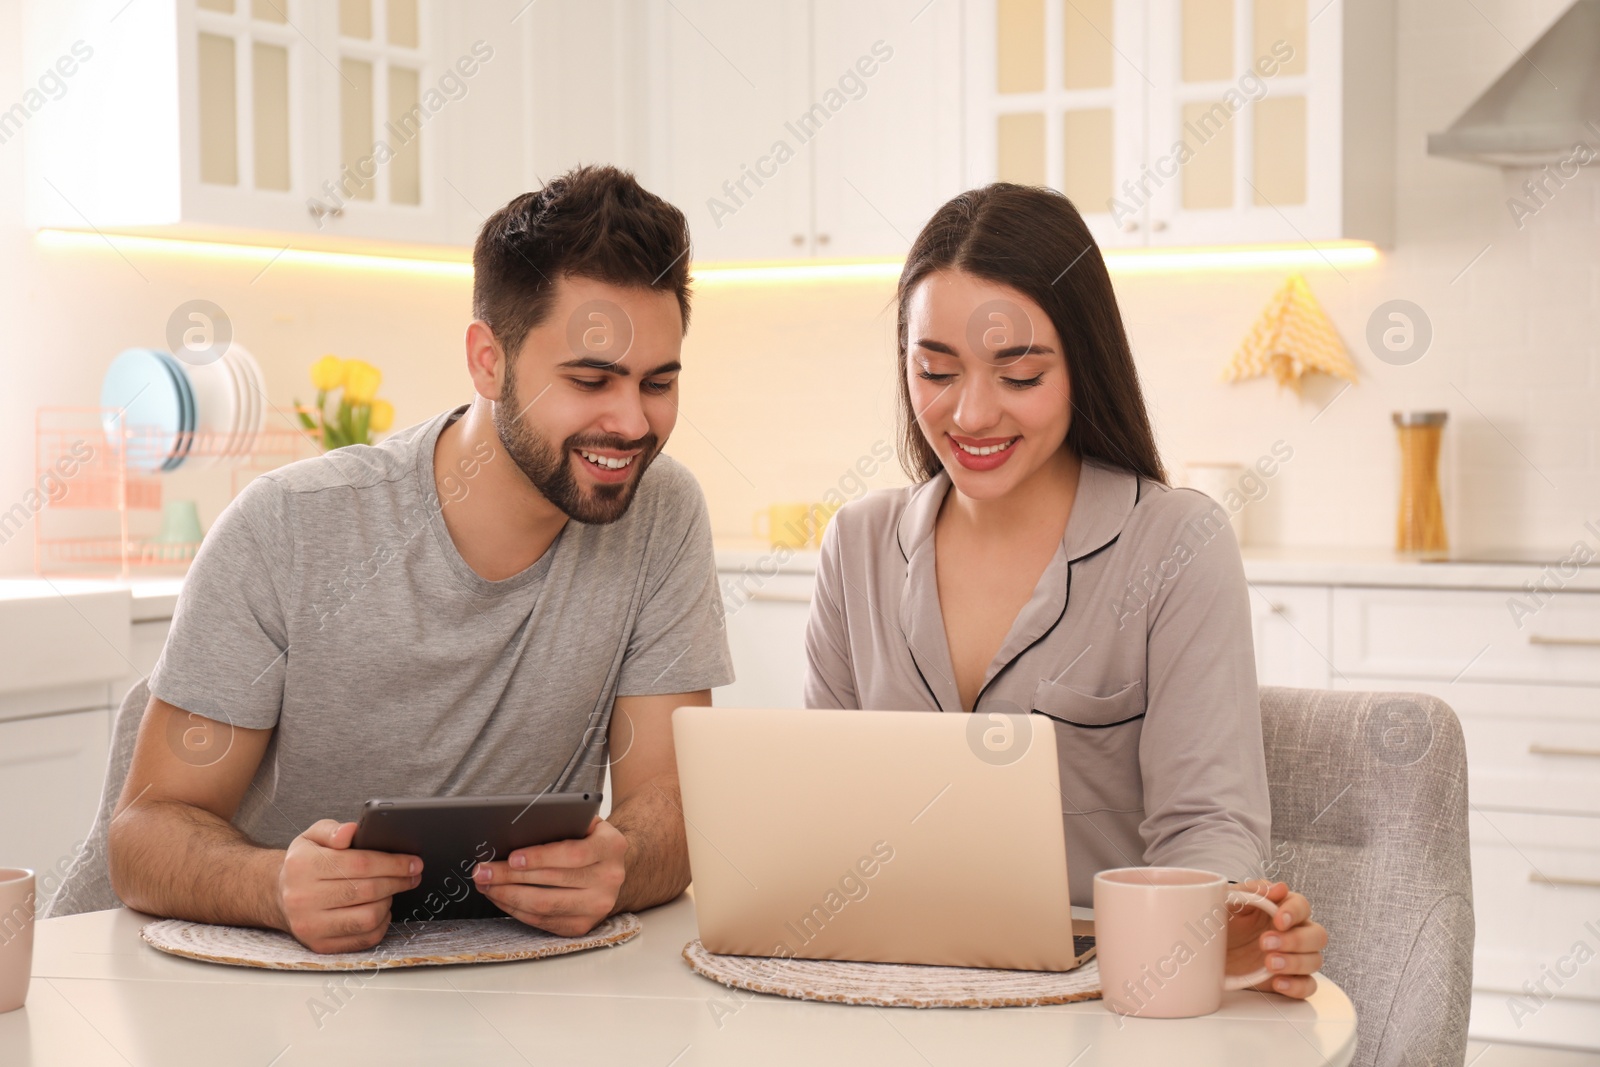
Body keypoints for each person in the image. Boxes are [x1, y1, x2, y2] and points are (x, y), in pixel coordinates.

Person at [107, 165, 733, 953]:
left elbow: (668, 809)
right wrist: (272, 887)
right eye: (590, 379)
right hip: (227, 979)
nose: (633, 422)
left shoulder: (662, 513)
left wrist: (622, 862)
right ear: (488, 361)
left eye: (659, 382)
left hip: (482, 972)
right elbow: (142, 837)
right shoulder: (289, 527)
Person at [803, 183, 1329, 998]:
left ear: (1082, 360)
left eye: (1019, 374)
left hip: (1106, 996)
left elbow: (1207, 825)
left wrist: (1218, 926)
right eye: (936, 371)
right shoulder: (858, 544)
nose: (971, 413)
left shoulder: (1176, 543)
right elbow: (821, 810)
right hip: (895, 985)